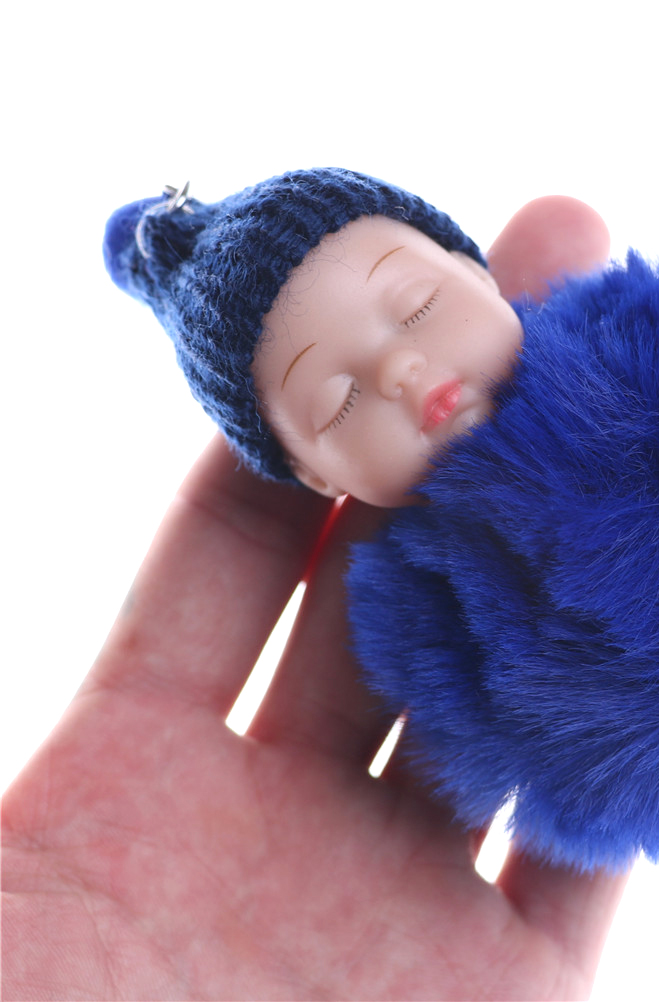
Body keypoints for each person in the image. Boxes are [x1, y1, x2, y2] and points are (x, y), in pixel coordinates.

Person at [1, 196, 626, 1001]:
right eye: (338, 403)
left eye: (418, 306)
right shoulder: (434, 641)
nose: (400, 370)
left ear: (472, 268)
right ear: (318, 477)